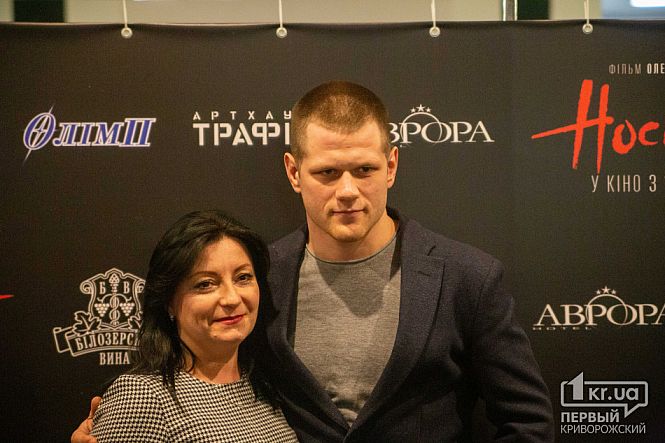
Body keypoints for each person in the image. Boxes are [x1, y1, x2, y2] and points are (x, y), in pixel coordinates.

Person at [74, 81, 554, 442]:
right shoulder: (260, 277)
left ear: (391, 166)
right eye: (327, 172)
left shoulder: (467, 276)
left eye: (364, 169)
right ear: (293, 172)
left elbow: (528, 422)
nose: (347, 191)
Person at [88, 210, 298, 442]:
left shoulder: (265, 389)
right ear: (169, 301)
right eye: (205, 284)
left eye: (243, 277)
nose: (231, 298)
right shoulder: (142, 398)